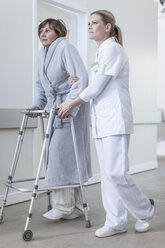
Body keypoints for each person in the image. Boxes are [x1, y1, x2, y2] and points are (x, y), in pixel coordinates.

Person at [57, 10, 155, 237]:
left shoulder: (114, 50)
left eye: (94, 23)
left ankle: (145, 209)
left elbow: (98, 87)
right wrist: (79, 81)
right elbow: (95, 84)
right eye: (88, 23)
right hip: (101, 121)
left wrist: (72, 103)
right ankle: (116, 221)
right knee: (108, 176)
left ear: (108, 27)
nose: (90, 26)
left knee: (116, 173)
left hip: (115, 118)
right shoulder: (100, 53)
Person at [29, 18, 92, 220]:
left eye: (48, 30)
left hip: (69, 108)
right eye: (41, 31)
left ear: (59, 32)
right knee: (59, 155)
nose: (43, 33)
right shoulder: (42, 54)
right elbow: (41, 85)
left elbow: (81, 78)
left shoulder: (65, 47)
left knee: (62, 155)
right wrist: (37, 105)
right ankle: (74, 206)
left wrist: (69, 104)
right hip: (55, 109)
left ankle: (64, 207)